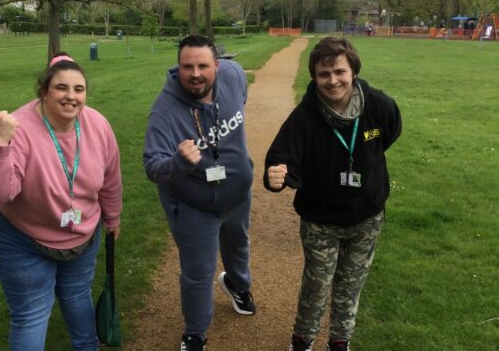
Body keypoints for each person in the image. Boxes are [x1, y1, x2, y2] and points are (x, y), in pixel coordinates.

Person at [0, 53, 122, 351]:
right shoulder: (20, 128)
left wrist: (113, 217)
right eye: (61, 88)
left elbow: (111, 176)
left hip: (81, 232)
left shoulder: (98, 125)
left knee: (77, 294)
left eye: (79, 89)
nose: (71, 96)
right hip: (20, 234)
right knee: (32, 313)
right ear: (43, 93)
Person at [264, 37, 402, 351]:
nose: (333, 80)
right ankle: (302, 339)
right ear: (314, 77)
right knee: (317, 284)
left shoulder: (379, 106)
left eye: (339, 71)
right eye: (324, 74)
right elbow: (280, 157)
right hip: (320, 219)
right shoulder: (304, 117)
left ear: (353, 71)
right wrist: (275, 176)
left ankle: (340, 341)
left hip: (366, 216)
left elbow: (390, 133)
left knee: (350, 284)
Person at [143, 35, 255, 351]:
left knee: (238, 245)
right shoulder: (164, 113)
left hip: (237, 194)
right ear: (177, 68)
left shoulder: (233, 76)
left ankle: (237, 284)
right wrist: (179, 162)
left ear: (216, 66)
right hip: (194, 206)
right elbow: (152, 166)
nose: (195, 74)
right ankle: (195, 332)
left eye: (203, 66)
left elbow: (241, 100)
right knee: (198, 272)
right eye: (187, 67)